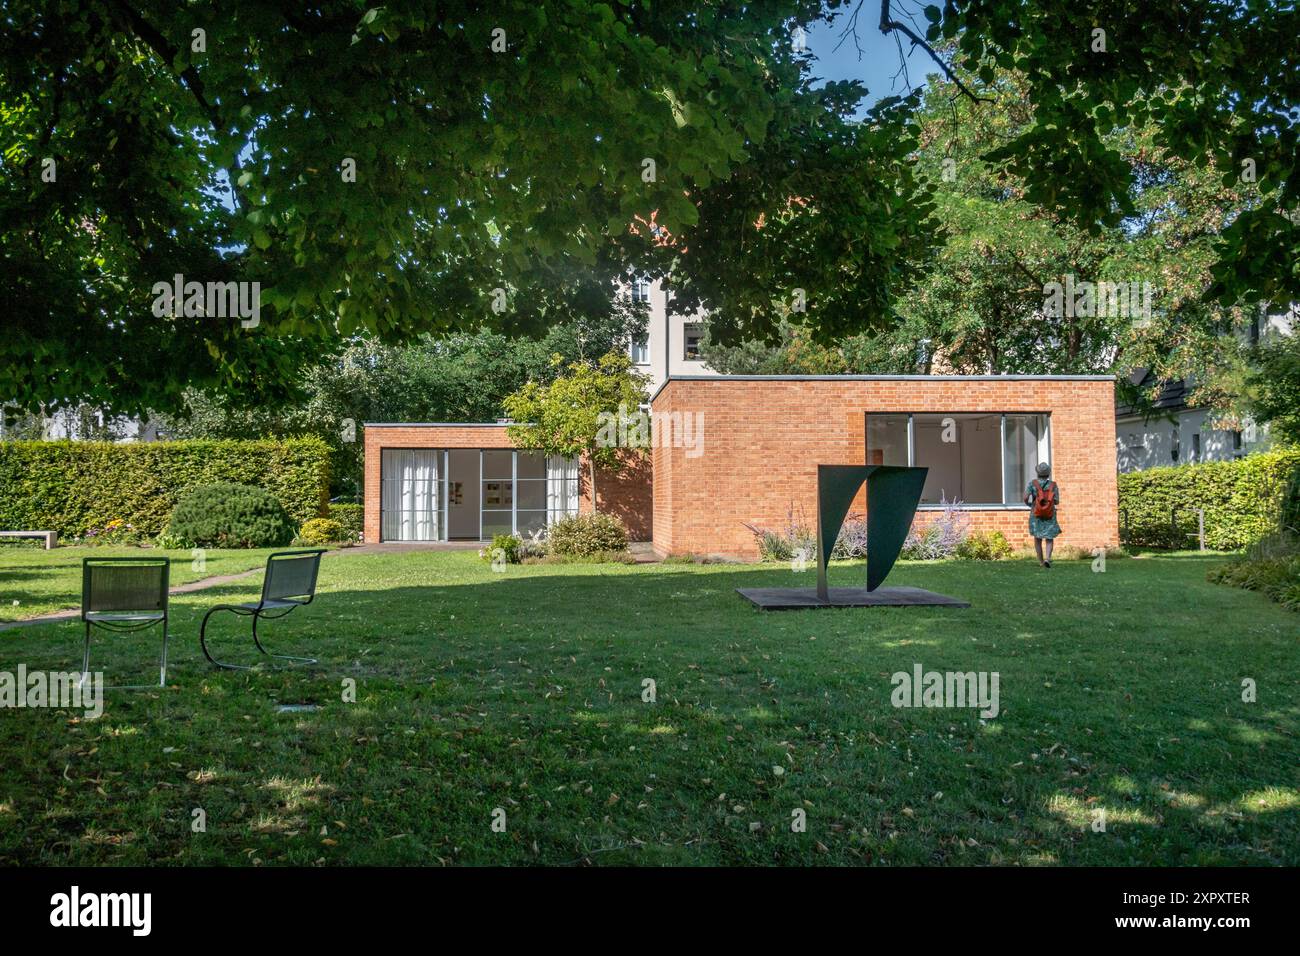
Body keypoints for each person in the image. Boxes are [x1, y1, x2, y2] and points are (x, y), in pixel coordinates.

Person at [1024, 462, 1060, 567]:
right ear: (1048, 473)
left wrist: (1030, 504)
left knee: (1037, 537)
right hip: (1050, 514)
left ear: (1038, 473)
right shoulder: (1053, 485)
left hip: (1036, 513)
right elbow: (1057, 501)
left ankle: (1040, 562)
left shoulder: (1032, 483)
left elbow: (1025, 497)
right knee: (1049, 538)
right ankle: (1048, 559)